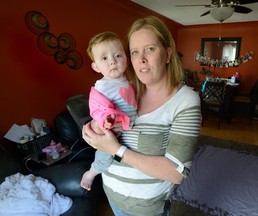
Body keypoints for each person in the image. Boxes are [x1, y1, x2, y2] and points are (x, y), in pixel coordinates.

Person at [82, 16, 201, 215]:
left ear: (168, 54)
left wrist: (116, 150)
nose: (141, 59)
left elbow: (176, 173)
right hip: (113, 199)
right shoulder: (128, 91)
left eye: (150, 49)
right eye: (134, 52)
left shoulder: (185, 100)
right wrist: (94, 129)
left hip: (147, 210)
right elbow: (102, 116)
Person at [80, 31, 137, 191]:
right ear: (96, 66)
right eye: (104, 58)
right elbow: (96, 108)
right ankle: (91, 173)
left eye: (118, 56)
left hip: (128, 127)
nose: (112, 61)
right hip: (111, 130)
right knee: (104, 157)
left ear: (126, 60)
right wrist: (105, 118)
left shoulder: (128, 81)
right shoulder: (102, 87)